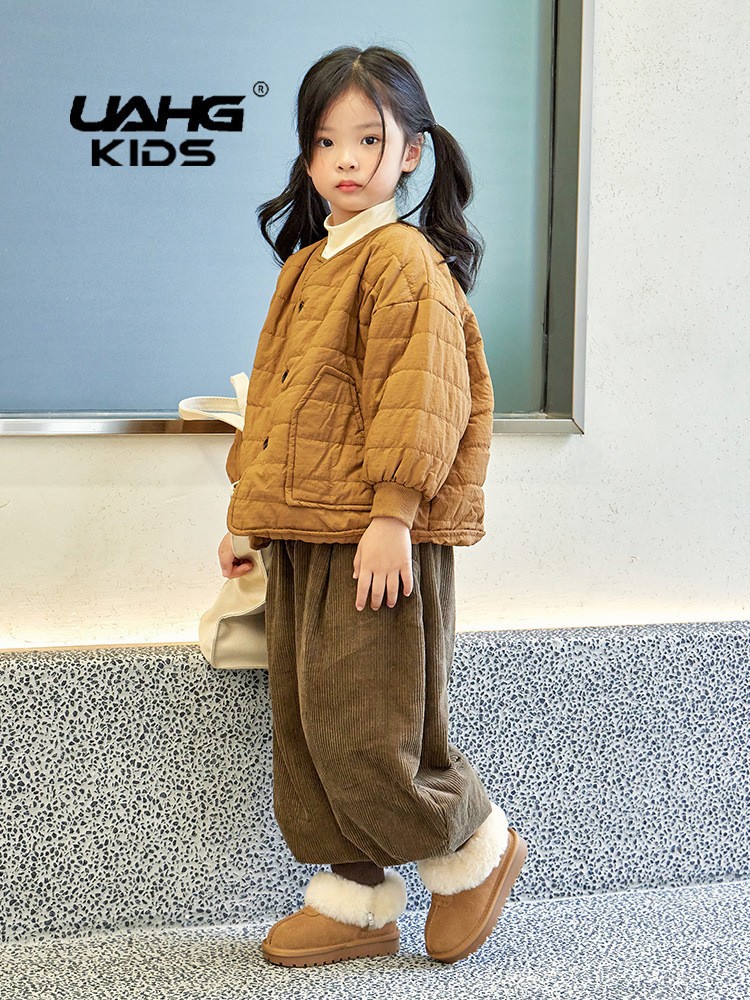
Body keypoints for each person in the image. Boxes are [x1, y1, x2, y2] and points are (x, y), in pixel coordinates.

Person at [217, 44, 528, 967]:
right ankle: (356, 903)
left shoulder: (404, 262)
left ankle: (474, 851)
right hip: (306, 532)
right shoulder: (307, 267)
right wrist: (249, 521)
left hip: (375, 538)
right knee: (309, 731)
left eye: (367, 138)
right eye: (324, 141)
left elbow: (424, 396)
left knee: (369, 730)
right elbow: (277, 405)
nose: (344, 160)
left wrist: (392, 516)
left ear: (412, 151)